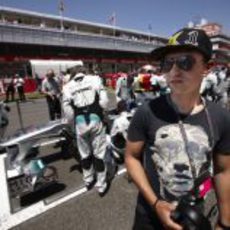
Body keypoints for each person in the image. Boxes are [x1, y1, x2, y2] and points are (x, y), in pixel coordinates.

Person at [125, 27, 230, 230]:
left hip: (192, 217)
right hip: (148, 217)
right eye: (167, 63)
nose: (174, 71)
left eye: (185, 62)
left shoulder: (221, 117)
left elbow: (224, 171)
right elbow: (131, 157)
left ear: (207, 67)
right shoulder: (147, 112)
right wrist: (156, 203)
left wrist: (225, 222)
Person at [62, 65, 110, 196]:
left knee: (84, 154)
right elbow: (104, 101)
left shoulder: (67, 86)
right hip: (96, 120)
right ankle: (101, 184)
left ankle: (88, 180)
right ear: (83, 72)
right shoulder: (95, 79)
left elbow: (68, 111)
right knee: (99, 154)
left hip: (80, 122)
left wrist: (72, 126)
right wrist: (103, 114)